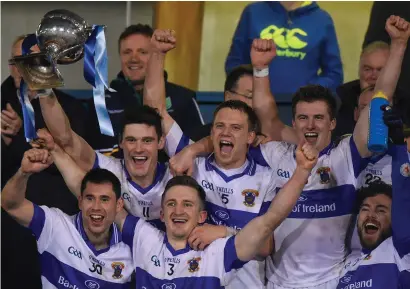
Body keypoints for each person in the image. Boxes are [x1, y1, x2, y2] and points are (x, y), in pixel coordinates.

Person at [170, 15, 409, 289]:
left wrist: (399, 45)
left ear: (333, 123)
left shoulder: (347, 155)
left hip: (330, 283)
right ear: (293, 122)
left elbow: (380, 97)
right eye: (303, 118)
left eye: (319, 118)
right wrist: (194, 149)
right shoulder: (275, 154)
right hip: (276, 284)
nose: (310, 125)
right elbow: (240, 130)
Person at [144, 29, 283, 289]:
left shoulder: (266, 176)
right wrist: (156, 55)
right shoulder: (191, 163)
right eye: (220, 126)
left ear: (251, 136)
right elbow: (156, 113)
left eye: (235, 128)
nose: (225, 133)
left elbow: (266, 246)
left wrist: (223, 233)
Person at [1, 34, 91, 289]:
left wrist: (21, 135)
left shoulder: (72, 109)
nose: (28, 67)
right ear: (11, 66)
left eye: (36, 60)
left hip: (61, 223)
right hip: (9, 224)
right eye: (20, 61)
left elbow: (78, 159)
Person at [38, 90, 173, 229]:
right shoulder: (110, 170)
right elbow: (65, 139)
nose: (138, 149)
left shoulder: (175, 176)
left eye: (147, 141)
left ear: (161, 142)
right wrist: (43, 87)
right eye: (131, 140)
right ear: (120, 142)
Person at [1, 149, 133, 289]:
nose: (96, 207)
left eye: (104, 199)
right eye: (90, 198)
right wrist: (23, 173)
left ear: (118, 205)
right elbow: (11, 205)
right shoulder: (55, 225)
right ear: (80, 201)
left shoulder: (131, 250)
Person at [86, 24, 204, 159]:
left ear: (154, 55)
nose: (134, 59)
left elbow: (195, 149)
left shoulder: (183, 98)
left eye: (142, 52)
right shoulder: (100, 103)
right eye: (127, 52)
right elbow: (93, 155)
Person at [225, 1, 343, 97]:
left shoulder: (322, 20)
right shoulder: (253, 13)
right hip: (255, 106)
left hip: (303, 110)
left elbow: (334, 74)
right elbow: (234, 64)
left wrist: (310, 92)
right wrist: (250, 90)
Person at [337, 145, 410, 288]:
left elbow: (402, 194)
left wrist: (399, 148)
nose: (371, 215)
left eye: (381, 210)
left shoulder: (399, 251)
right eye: (365, 209)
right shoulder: (345, 265)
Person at [190, 64, 253, 141]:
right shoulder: (201, 139)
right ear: (228, 97)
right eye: (250, 96)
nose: (258, 102)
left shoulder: (267, 138)